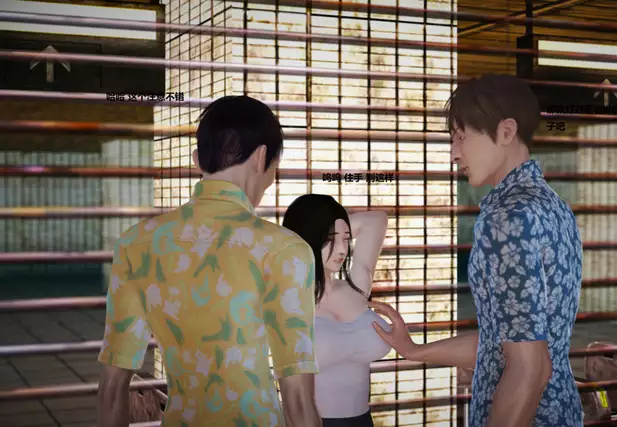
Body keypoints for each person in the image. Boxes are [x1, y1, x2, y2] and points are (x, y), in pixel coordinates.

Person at [369, 74, 584, 427]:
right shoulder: (555, 208)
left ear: (506, 131)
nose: (454, 153)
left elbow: (529, 367)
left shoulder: (506, 218)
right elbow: (506, 340)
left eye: (462, 137)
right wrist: (414, 351)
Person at [96, 95, 322, 427]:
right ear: (262, 157)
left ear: (197, 160)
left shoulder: (136, 244)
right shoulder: (284, 251)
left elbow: (111, 387)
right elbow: (298, 401)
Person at [282, 194, 389, 427]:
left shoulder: (356, 288)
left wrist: (333, 222)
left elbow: (377, 220)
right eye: (330, 240)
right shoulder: (291, 300)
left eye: (346, 239)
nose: (342, 249)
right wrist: (312, 228)